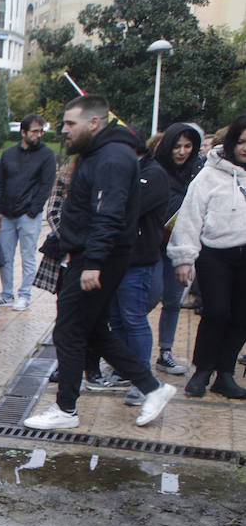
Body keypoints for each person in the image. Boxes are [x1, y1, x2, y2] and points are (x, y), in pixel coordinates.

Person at [23, 95, 175, 430]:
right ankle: (153, 388)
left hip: (99, 257)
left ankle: (66, 409)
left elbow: (109, 213)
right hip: (92, 254)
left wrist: (92, 262)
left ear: (94, 123)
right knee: (91, 330)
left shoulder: (113, 157)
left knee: (68, 331)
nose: (64, 130)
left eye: (70, 123)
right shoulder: (100, 153)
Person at [166, 113, 246, 399]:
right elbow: (190, 216)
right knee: (216, 311)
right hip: (215, 254)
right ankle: (202, 370)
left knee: (241, 316)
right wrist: (184, 258)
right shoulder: (209, 174)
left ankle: (225, 374)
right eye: (242, 141)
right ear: (232, 141)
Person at [106, 134, 170, 406]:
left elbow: (126, 209)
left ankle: (143, 380)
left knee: (133, 318)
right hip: (115, 256)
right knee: (117, 318)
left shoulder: (153, 174)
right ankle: (124, 369)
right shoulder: (126, 170)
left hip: (138, 257)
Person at [149, 122, 203, 375]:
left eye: (187, 146)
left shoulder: (198, 173)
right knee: (150, 296)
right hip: (154, 245)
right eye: (177, 146)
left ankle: (166, 351)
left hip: (182, 246)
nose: (182, 152)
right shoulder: (156, 171)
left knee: (173, 300)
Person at [0, 114, 56, 311]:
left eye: (41, 131)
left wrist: (34, 210)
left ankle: (25, 294)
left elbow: (46, 185)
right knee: (5, 256)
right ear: (23, 132)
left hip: (28, 214)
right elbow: (0, 183)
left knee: (28, 256)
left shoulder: (47, 155)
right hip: (7, 213)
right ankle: (6, 294)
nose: (39, 135)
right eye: (34, 131)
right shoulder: (8, 154)